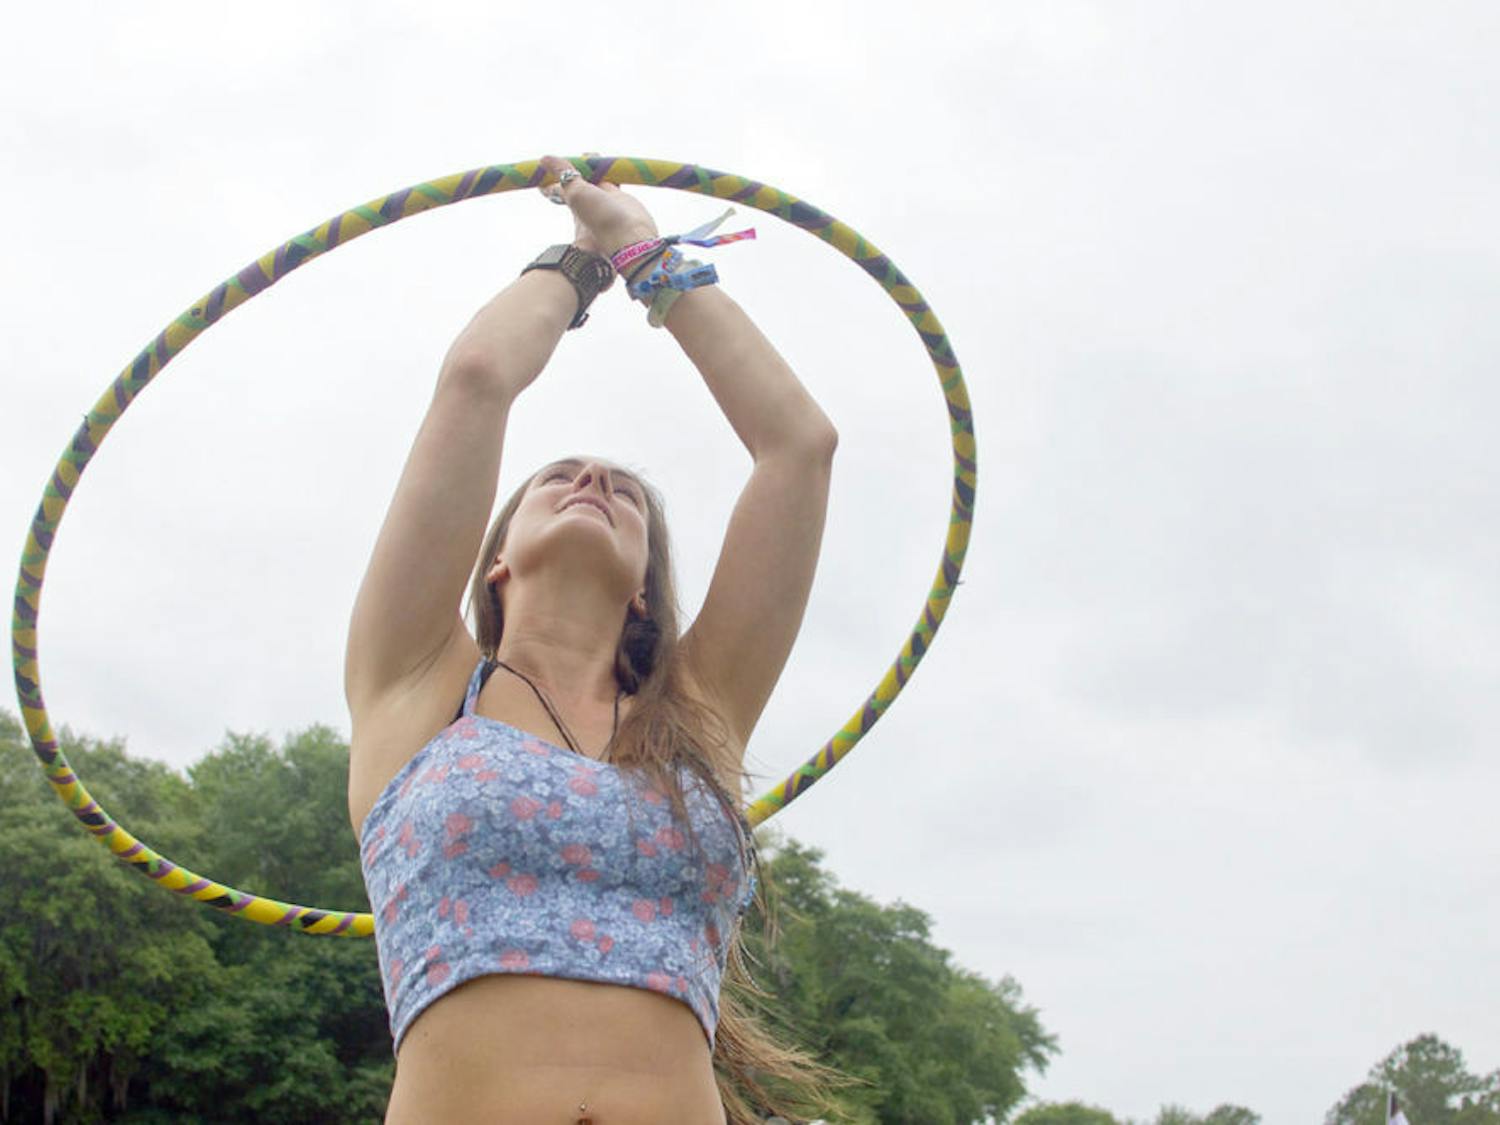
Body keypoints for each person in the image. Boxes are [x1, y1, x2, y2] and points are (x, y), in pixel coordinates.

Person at [345, 155, 844, 1124]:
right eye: (558, 477)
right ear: (495, 561)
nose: (592, 480)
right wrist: (579, 263)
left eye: (624, 490)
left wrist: (649, 255)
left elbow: (800, 448)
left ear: (648, 590)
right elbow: (479, 379)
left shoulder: (699, 717)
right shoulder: (417, 684)